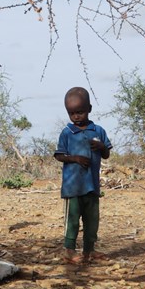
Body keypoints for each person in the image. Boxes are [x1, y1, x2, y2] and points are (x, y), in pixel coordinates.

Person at [54, 86, 113, 264]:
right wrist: (75, 158)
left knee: (92, 220)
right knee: (72, 220)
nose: (76, 116)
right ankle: (69, 250)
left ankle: (90, 250)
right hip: (73, 187)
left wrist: (102, 147)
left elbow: (106, 154)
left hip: (92, 185)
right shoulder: (67, 133)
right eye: (72, 113)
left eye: (80, 112)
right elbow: (59, 155)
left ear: (89, 109)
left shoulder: (98, 131)